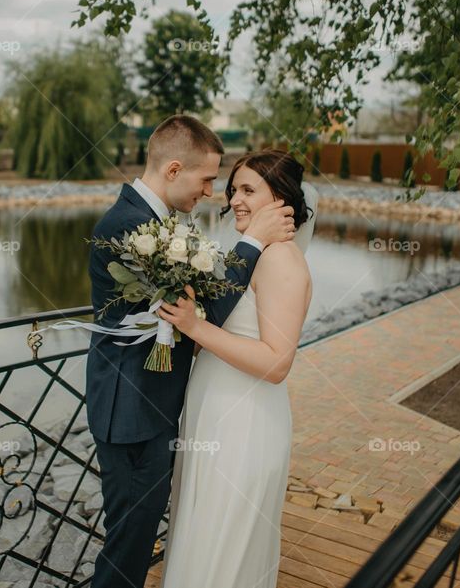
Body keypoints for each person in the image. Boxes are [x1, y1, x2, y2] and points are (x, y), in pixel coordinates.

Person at [85, 116, 296, 588]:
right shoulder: (127, 228)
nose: (210, 192)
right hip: (132, 417)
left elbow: (196, 312)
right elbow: (209, 313)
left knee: (135, 545)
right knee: (127, 549)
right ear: (175, 169)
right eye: (207, 180)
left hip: (154, 409)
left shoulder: (158, 225)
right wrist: (253, 241)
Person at [156, 149, 315, 588]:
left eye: (248, 189)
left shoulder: (281, 260)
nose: (235, 200)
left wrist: (193, 326)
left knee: (223, 547)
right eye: (233, 189)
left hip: (244, 425)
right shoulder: (256, 254)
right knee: (202, 536)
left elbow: (277, 362)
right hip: (216, 416)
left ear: (281, 198)